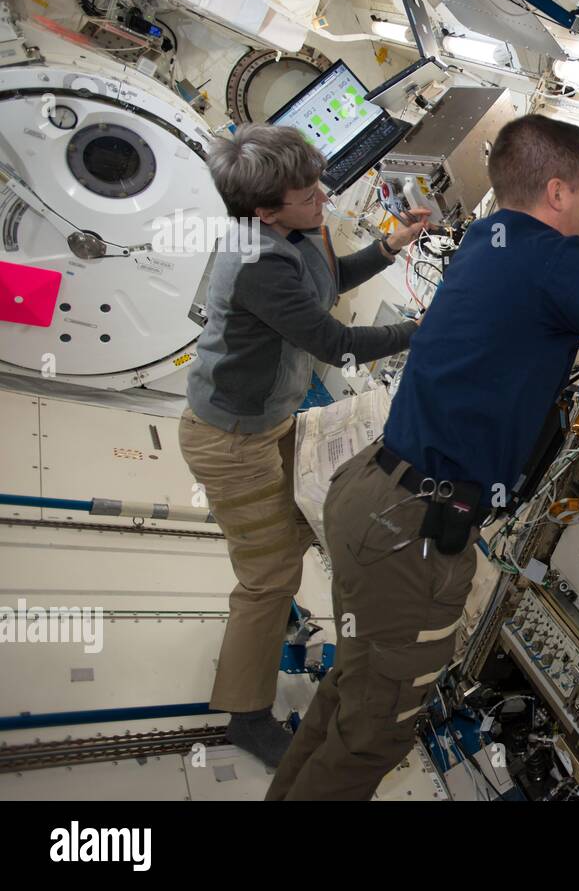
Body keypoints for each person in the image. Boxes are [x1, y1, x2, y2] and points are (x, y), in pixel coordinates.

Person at [267, 113, 579, 800]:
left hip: (371, 496)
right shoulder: (555, 257)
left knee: (349, 693)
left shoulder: (490, 234)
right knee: (374, 734)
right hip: (411, 533)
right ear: (559, 191)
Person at [178, 123, 429, 768]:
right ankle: (247, 715)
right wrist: (426, 330)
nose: (322, 195)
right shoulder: (256, 259)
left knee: (304, 522)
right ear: (263, 210)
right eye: (307, 192)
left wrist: (392, 246)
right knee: (267, 578)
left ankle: (272, 628)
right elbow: (336, 341)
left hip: (273, 420)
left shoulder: (295, 229)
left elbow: (329, 282)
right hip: (232, 440)